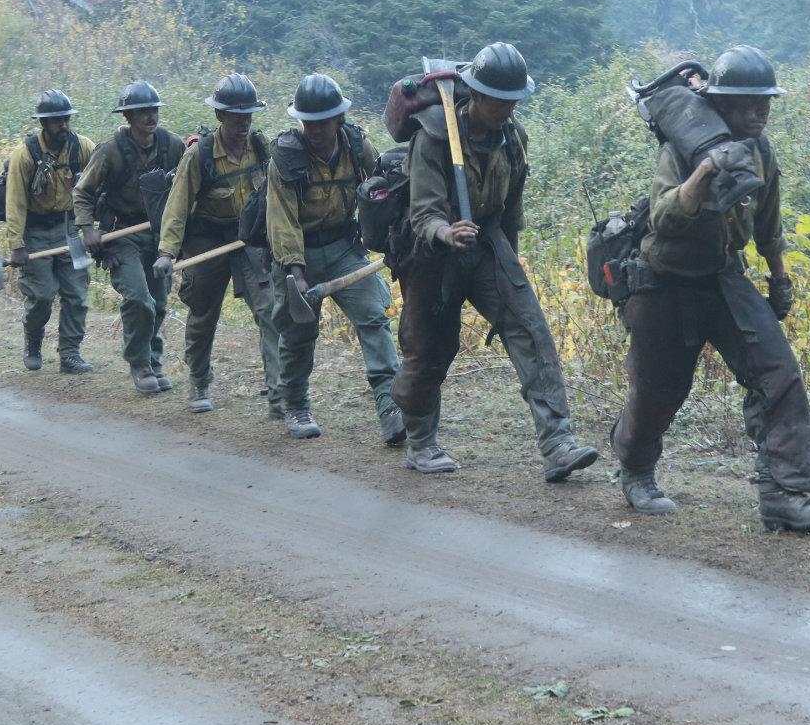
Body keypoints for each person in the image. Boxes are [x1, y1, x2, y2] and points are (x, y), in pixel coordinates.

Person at [610, 46, 810, 532]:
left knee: (778, 374)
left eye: (766, 101)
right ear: (720, 104)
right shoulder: (679, 151)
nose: (760, 112)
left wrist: (779, 280)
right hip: (662, 284)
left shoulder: (761, 152)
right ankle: (636, 468)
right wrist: (706, 172)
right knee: (659, 393)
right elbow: (665, 218)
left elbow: (768, 226)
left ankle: (786, 495)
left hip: (721, 277)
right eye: (747, 102)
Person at [391, 42, 599, 480]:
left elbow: (512, 211)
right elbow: (422, 212)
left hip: (490, 246)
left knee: (531, 332)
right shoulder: (432, 136)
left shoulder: (513, 139)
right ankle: (421, 444)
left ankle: (558, 443)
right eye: (499, 101)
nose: (506, 109)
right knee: (428, 349)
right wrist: (446, 232)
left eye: (513, 101)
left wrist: (514, 268)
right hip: (434, 255)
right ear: (476, 95)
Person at [267, 73, 404, 444]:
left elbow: (385, 190)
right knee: (298, 332)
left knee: (373, 317)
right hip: (298, 254)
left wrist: (394, 238)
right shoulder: (284, 156)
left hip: (345, 249)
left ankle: (391, 407)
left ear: (338, 118)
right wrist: (295, 273)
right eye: (308, 122)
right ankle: (295, 405)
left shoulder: (359, 147)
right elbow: (282, 220)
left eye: (323, 121)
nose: (315, 129)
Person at [151, 74, 283, 415]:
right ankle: (198, 381)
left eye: (249, 115)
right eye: (236, 115)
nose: (244, 122)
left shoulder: (260, 146)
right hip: (206, 240)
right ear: (220, 116)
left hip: (248, 238)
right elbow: (177, 207)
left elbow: (276, 195)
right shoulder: (199, 155)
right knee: (203, 314)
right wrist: (167, 253)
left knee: (270, 311)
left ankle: (279, 393)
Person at [71, 81, 187, 395]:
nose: (150, 117)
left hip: (160, 235)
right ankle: (140, 364)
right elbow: (82, 193)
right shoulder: (110, 152)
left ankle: (154, 360)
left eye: (154, 110)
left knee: (159, 303)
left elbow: (190, 183)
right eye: (142, 112)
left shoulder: (173, 146)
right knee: (139, 299)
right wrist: (87, 229)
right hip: (122, 235)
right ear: (129, 117)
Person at [4, 89, 96, 374]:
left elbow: (101, 186)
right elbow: (16, 203)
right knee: (42, 295)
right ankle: (33, 341)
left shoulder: (83, 148)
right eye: (57, 121)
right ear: (44, 123)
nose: (63, 125)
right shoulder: (25, 155)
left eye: (66, 119)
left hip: (70, 227)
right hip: (35, 231)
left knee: (77, 295)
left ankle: (70, 354)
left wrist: (95, 226)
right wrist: (17, 245)